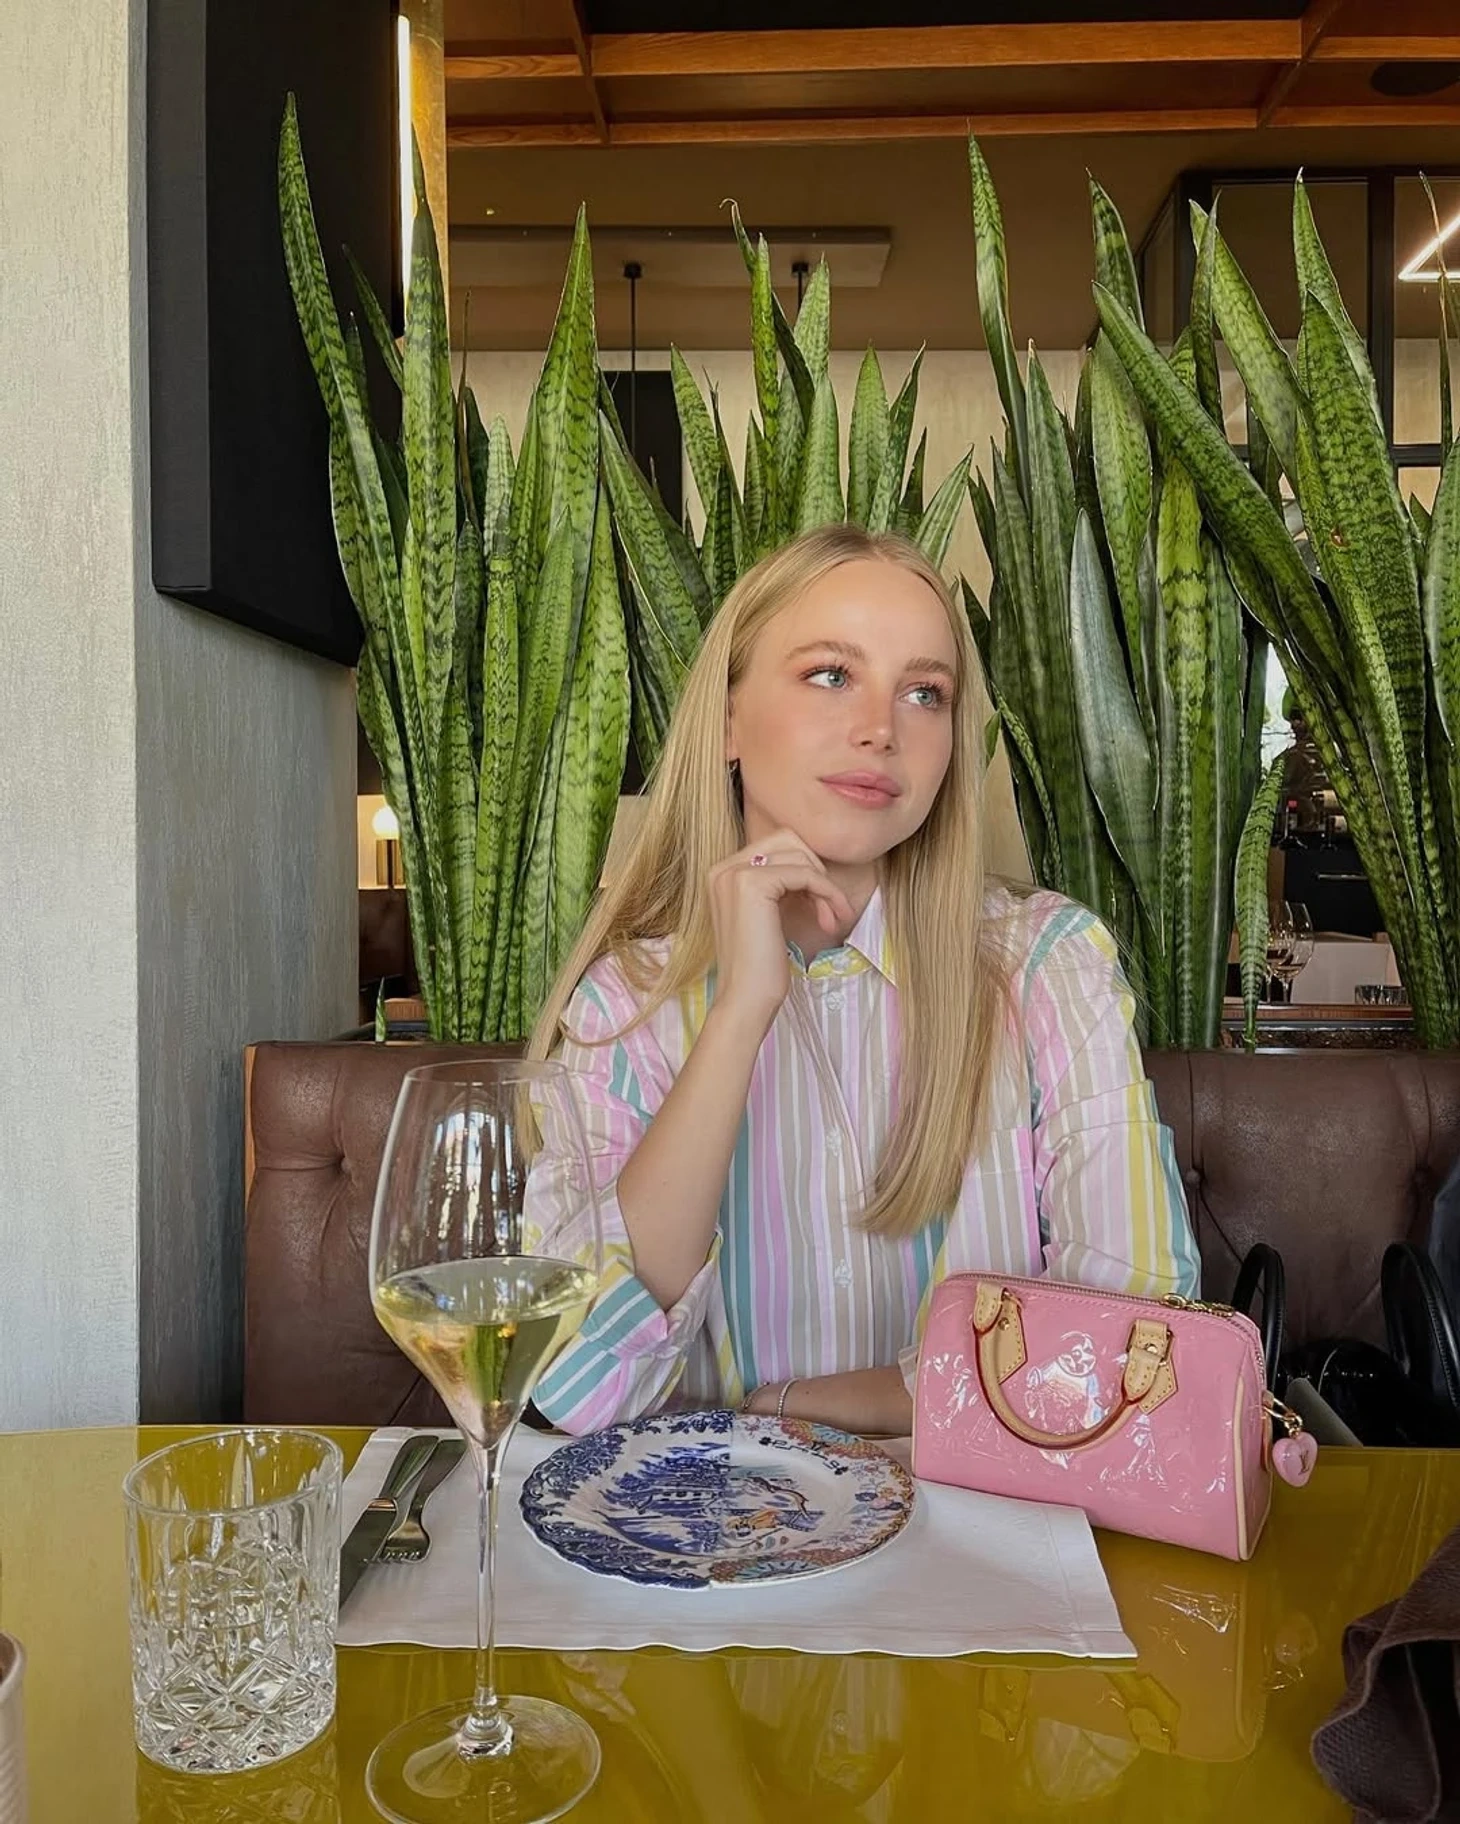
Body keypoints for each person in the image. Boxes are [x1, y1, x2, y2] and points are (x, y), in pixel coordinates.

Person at [524, 524, 1199, 1438]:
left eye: (925, 693)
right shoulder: (625, 1003)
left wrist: (805, 1406)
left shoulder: (1047, 965)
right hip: (713, 1524)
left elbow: (1138, 1344)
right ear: (727, 721)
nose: (882, 728)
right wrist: (739, 1013)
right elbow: (573, 1384)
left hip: (985, 1528)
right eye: (831, 674)